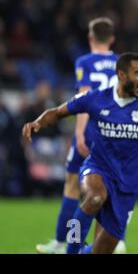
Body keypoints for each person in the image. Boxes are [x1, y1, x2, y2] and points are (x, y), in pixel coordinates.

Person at [24, 52, 138, 254]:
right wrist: (38, 122)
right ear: (121, 74)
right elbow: (58, 112)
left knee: (101, 252)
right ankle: (70, 250)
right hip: (98, 168)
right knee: (94, 198)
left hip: (128, 185)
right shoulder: (96, 98)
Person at [35, 17, 125, 254]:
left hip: (90, 129)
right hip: (115, 132)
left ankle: (60, 242)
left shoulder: (84, 61)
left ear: (90, 37)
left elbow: (84, 99)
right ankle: (114, 241)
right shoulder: (121, 63)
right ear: (112, 39)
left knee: (73, 186)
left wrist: (79, 133)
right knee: (106, 191)